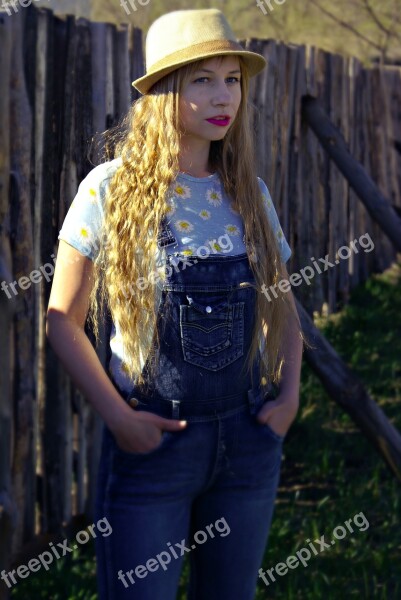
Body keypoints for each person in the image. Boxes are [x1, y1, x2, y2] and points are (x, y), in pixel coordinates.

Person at [46, 8, 303, 600]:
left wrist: (288, 398)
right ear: (166, 92)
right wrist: (120, 418)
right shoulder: (109, 189)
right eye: (202, 80)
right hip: (154, 445)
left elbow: (283, 306)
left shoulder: (248, 193)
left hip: (247, 441)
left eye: (232, 79)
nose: (224, 97)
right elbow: (62, 321)